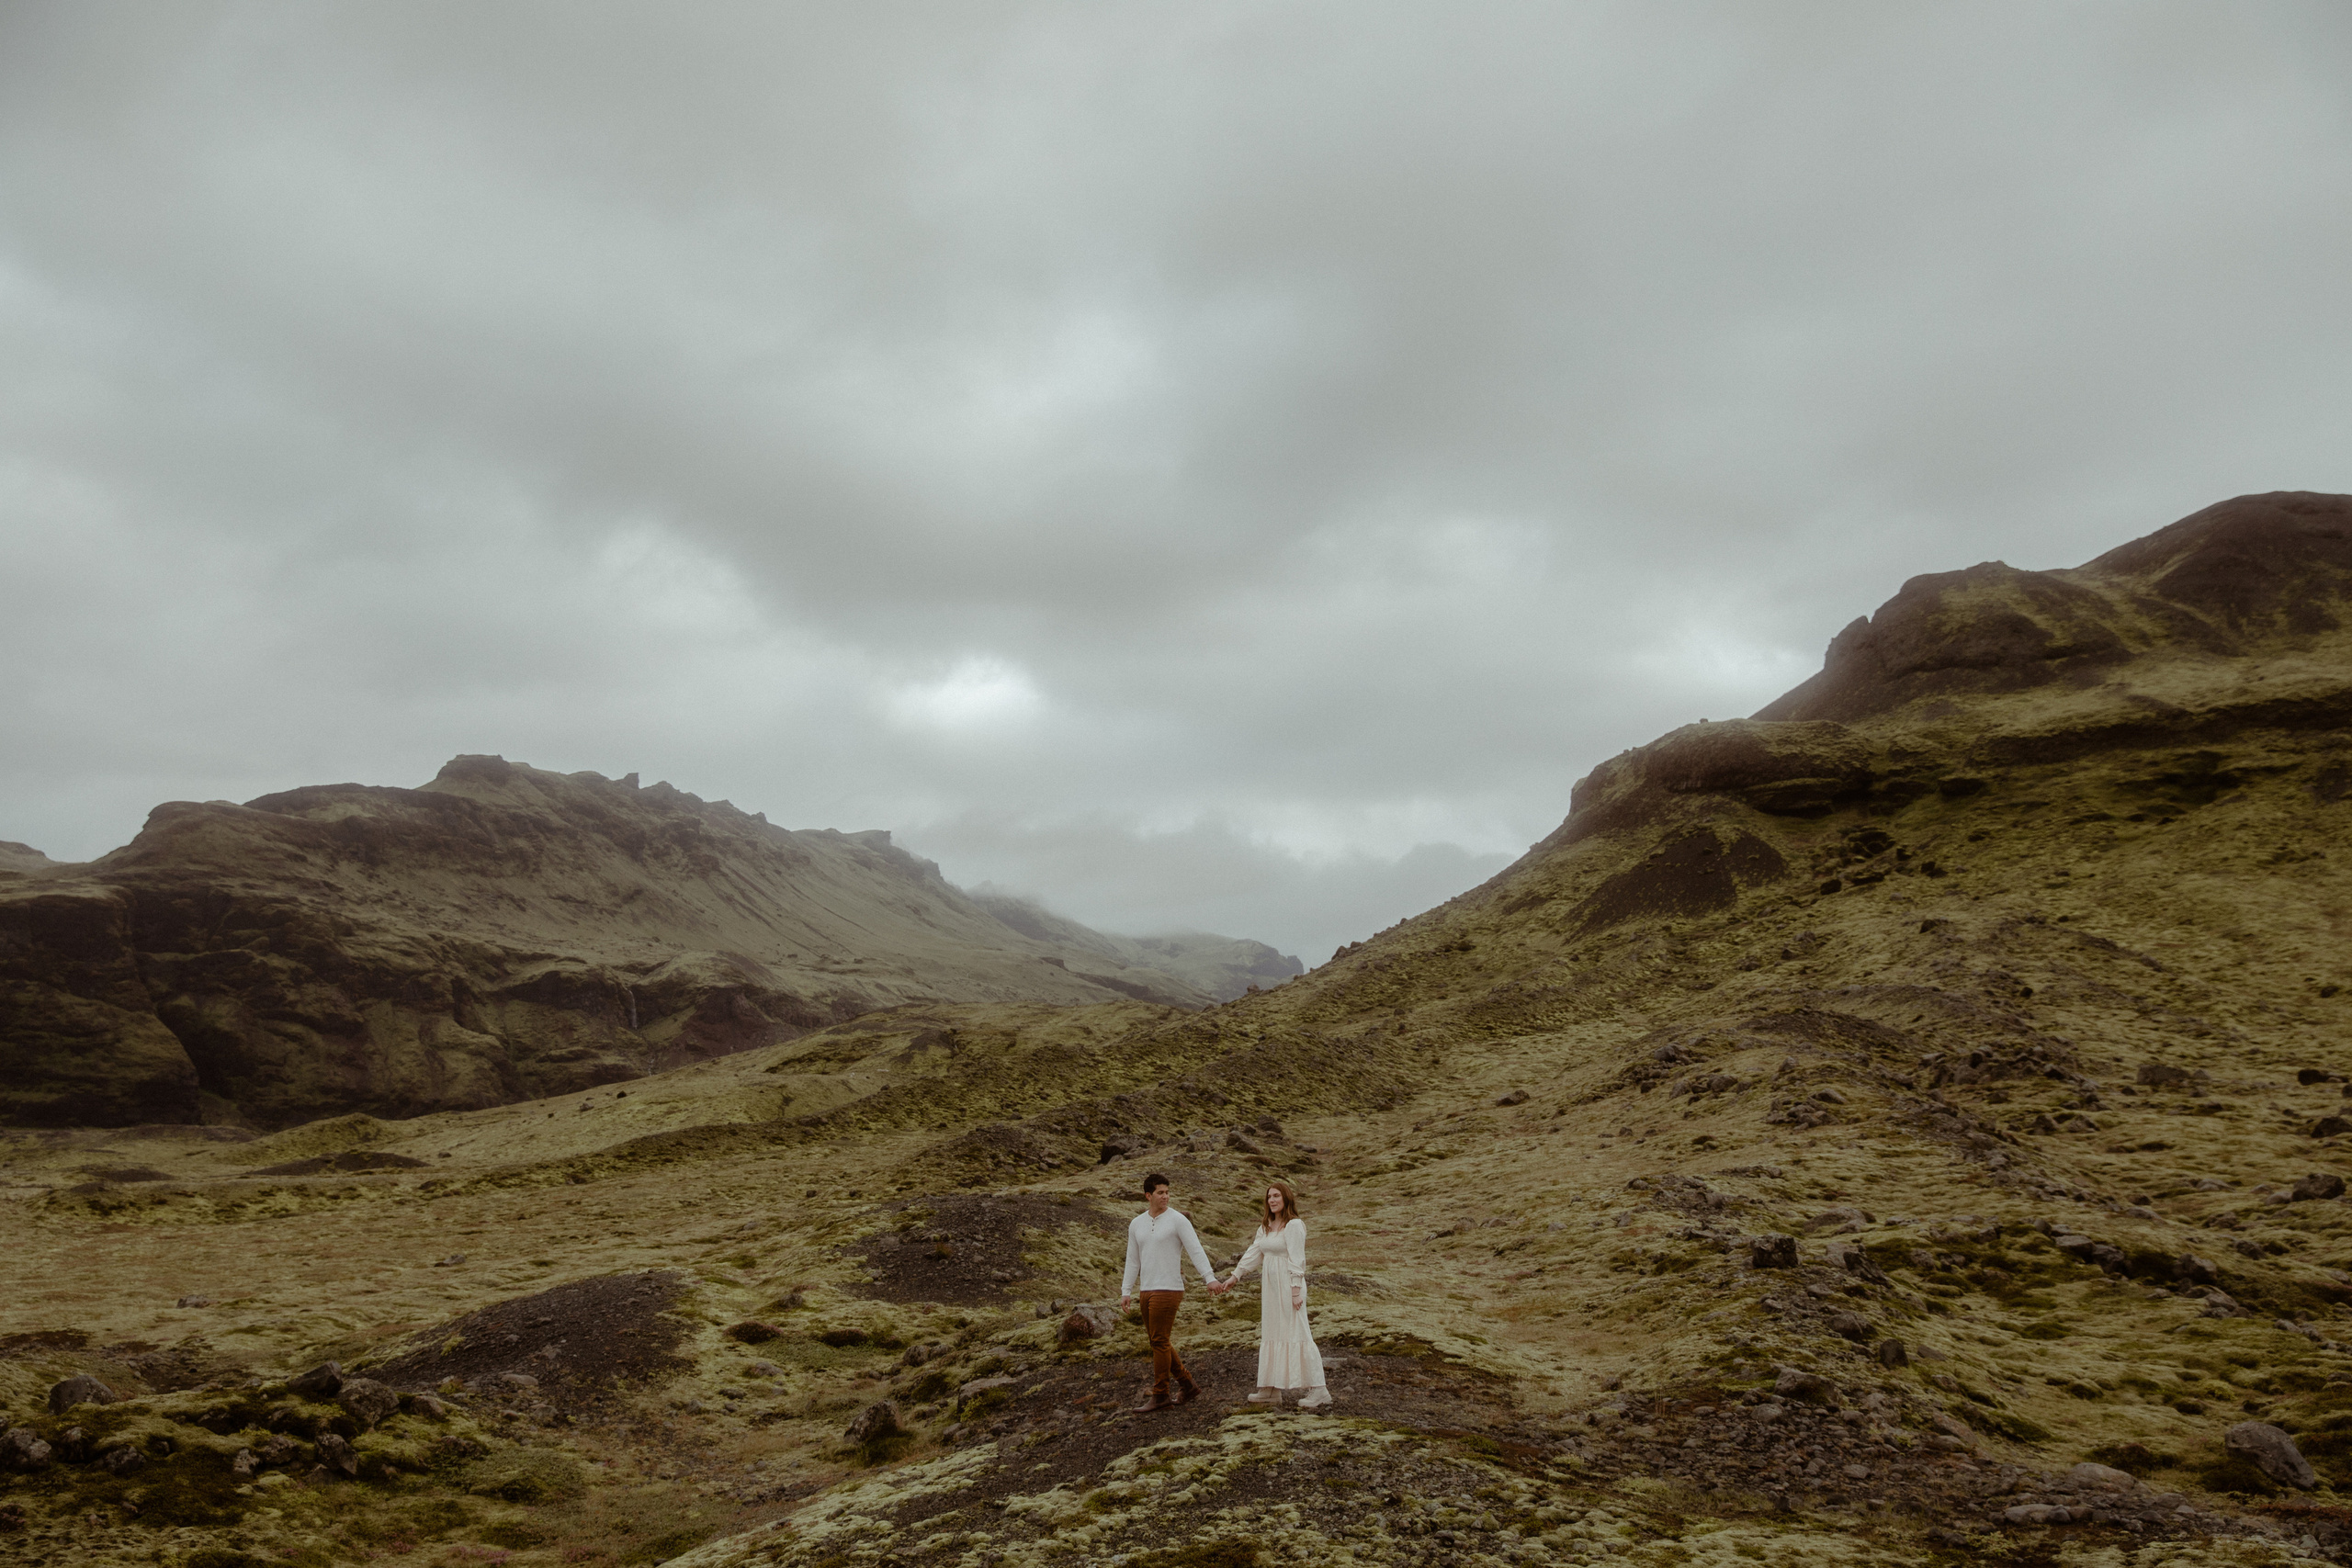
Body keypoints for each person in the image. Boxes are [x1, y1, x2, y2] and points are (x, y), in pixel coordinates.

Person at [1220, 1180, 1330, 1410]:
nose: (1272, 1200)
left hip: (1289, 1285)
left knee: (1298, 1331)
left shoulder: (1294, 1225)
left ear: (1286, 1198)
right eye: (1269, 1196)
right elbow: (1255, 1252)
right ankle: (1270, 1388)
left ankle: (1319, 1389)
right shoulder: (1267, 1226)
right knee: (1272, 1331)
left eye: (1276, 1196)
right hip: (1270, 1286)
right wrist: (1235, 1276)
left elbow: (1297, 1258)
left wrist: (1295, 1290)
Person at [1119, 1172, 1220, 1411]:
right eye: (1160, 1193)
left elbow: (1195, 1250)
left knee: (1159, 1341)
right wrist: (1126, 1291)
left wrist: (1210, 1278)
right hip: (1146, 1290)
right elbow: (1132, 1260)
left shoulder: (1177, 1220)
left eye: (1167, 1192)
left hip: (1170, 1288)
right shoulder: (1137, 1224)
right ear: (1148, 1196)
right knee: (1158, 1341)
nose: (1165, 1196)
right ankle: (1187, 1385)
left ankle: (1161, 1394)